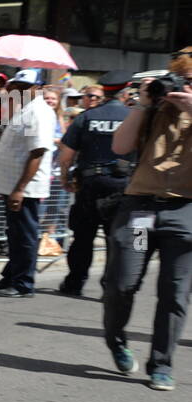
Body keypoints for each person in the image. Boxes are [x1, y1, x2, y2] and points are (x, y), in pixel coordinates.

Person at [102, 48, 192, 391]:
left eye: (191, 81)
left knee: (174, 292)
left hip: (183, 213)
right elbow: (120, 147)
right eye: (179, 80)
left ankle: (161, 363)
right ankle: (117, 341)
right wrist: (144, 102)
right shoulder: (153, 109)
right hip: (141, 212)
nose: (182, 87)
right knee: (123, 282)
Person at [56, 70, 135, 297]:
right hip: (122, 186)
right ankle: (111, 287)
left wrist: (65, 178)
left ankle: (74, 283)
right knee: (117, 240)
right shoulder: (133, 118)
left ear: (104, 92)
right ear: (125, 91)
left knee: (82, 238)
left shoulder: (86, 117)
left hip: (89, 185)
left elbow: (66, 155)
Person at [0, 69, 57, 297]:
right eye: (16, 86)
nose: (18, 91)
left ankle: (23, 284)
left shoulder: (39, 112)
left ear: (37, 88)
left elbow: (38, 151)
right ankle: (10, 277)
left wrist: (20, 189)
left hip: (24, 189)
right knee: (15, 235)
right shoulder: (25, 108)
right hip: (13, 185)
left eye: (24, 87)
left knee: (24, 236)